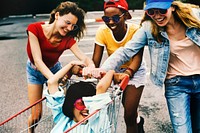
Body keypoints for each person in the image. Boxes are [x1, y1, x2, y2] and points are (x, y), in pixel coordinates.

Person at [100, 0, 200, 132]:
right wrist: (102, 70)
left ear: (173, 7)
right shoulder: (149, 28)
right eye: (151, 12)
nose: (157, 16)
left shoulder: (194, 16)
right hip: (177, 85)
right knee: (182, 130)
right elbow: (126, 51)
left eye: (162, 10)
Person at [26, 1, 95, 132]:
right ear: (57, 15)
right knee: (36, 115)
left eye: (73, 26)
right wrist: (54, 81)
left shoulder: (67, 39)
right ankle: (31, 131)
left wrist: (90, 66)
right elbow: (38, 60)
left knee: (62, 108)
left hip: (54, 69)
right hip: (35, 71)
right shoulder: (34, 29)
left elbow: (84, 57)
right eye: (67, 23)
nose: (69, 28)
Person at [92, 0, 146, 133]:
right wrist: (91, 70)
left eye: (115, 18)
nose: (110, 22)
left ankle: (134, 120)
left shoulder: (135, 30)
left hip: (134, 70)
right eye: (106, 18)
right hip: (114, 71)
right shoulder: (102, 31)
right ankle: (138, 120)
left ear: (126, 15)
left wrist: (127, 74)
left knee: (128, 115)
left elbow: (137, 59)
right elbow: (95, 60)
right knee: (125, 107)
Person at [44, 60, 123, 133]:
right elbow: (51, 82)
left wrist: (111, 73)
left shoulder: (97, 123)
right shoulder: (63, 119)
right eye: (81, 104)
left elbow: (101, 88)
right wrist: (71, 64)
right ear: (71, 105)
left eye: (89, 104)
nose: (86, 108)